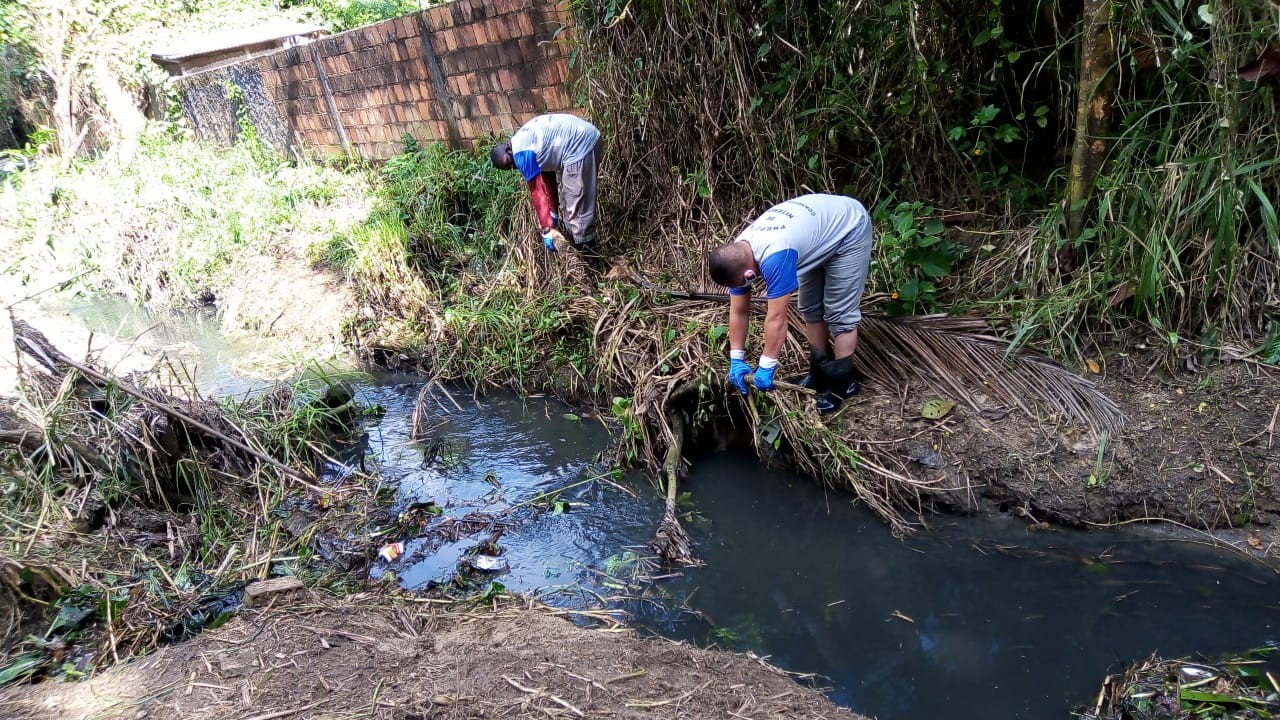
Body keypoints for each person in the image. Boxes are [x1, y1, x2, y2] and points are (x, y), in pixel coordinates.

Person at [706, 194, 873, 414]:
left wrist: (766, 366)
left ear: (748, 273)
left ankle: (840, 384)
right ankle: (819, 370)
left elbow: (776, 317)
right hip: (818, 232)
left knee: (840, 313)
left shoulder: (775, 256)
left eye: (744, 282)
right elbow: (739, 311)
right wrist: (736, 360)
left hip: (848, 228)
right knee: (810, 306)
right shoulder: (737, 254)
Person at [490, 113, 603, 266]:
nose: (513, 166)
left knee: (577, 211)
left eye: (508, 162)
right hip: (580, 144)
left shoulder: (521, 152)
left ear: (508, 148)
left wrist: (546, 229)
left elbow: (537, 193)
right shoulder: (526, 143)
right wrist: (553, 213)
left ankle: (592, 263)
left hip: (580, 145)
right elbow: (548, 179)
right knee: (567, 207)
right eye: (509, 168)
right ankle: (579, 252)